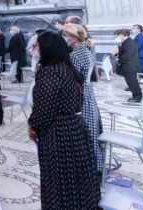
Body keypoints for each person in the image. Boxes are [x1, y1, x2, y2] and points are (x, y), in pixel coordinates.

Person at [28, 32, 100, 209]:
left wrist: (34, 125)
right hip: (76, 128)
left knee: (58, 181)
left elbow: (45, 106)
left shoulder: (50, 72)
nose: (34, 49)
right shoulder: (68, 68)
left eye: (37, 46)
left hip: (58, 134)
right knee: (76, 180)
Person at [62, 23, 103, 180]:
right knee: (90, 129)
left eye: (65, 35)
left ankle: (88, 166)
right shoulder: (84, 50)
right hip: (87, 93)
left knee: (84, 131)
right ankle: (94, 164)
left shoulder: (76, 55)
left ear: (72, 37)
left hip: (81, 95)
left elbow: (73, 79)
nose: (64, 37)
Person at [113, 28, 143, 103]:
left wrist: (119, 61)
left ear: (121, 35)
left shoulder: (129, 42)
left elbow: (127, 55)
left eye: (117, 36)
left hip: (130, 66)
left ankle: (138, 97)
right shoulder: (125, 42)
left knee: (133, 82)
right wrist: (117, 55)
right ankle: (136, 96)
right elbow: (121, 52)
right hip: (128, 66)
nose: (116, 38)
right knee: (130, 82)